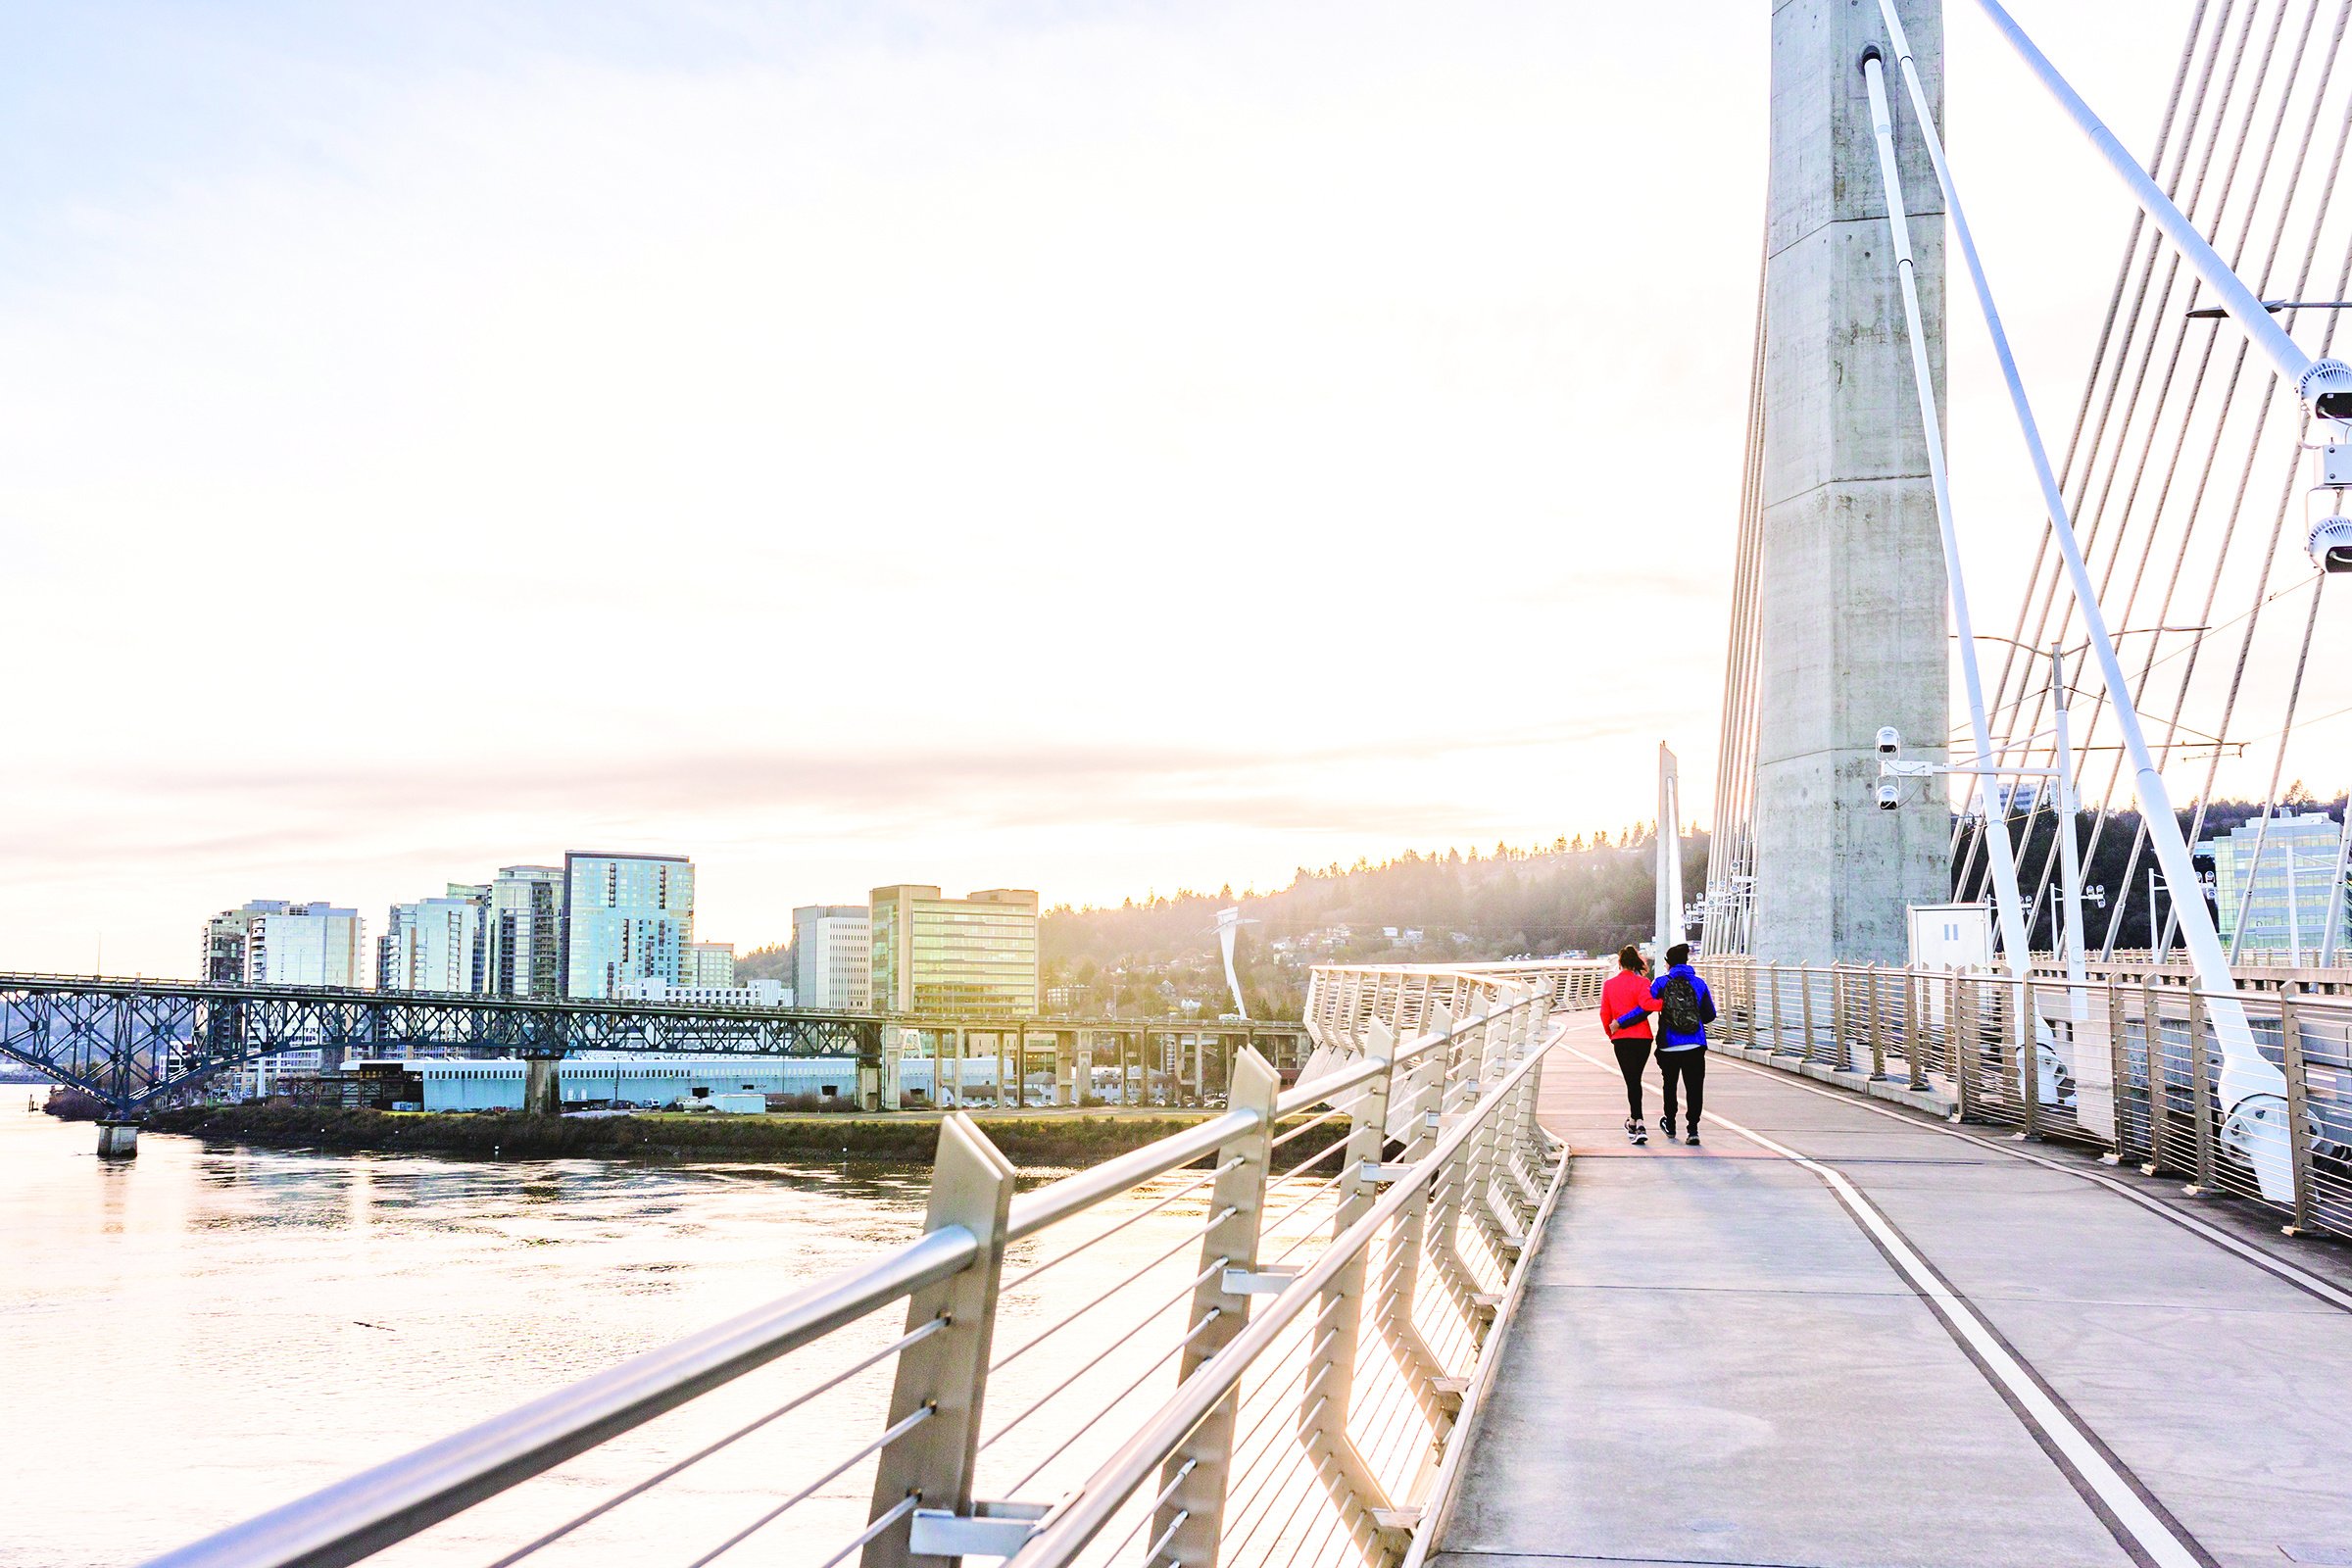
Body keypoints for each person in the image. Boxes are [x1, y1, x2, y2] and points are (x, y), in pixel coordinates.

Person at [1649, 943, 1716, 1145]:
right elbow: (1710, 1014)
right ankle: (1693, 1130)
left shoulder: (1660, 982)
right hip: (1695, 1044)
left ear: (1668, 964)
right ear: (1687, 962)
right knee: (1694, 1087)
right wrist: (1691, 1020)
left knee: (1669, 1085)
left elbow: (1647, 1004)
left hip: (1669, 1044)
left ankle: (1670, 1123)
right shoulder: (1699, 983)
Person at [1600, 945, 1661, 1145]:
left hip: (1622, 1039)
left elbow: (1605, 1014)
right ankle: (1633, 1121)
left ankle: (1640, 1123)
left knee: (1632, 1080)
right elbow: (1647, 1006)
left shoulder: (1609, 985)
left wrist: (1612, 1033)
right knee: (1635, 1079)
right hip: (1643, 1038)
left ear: (1619, 963)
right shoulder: (1643, 982)